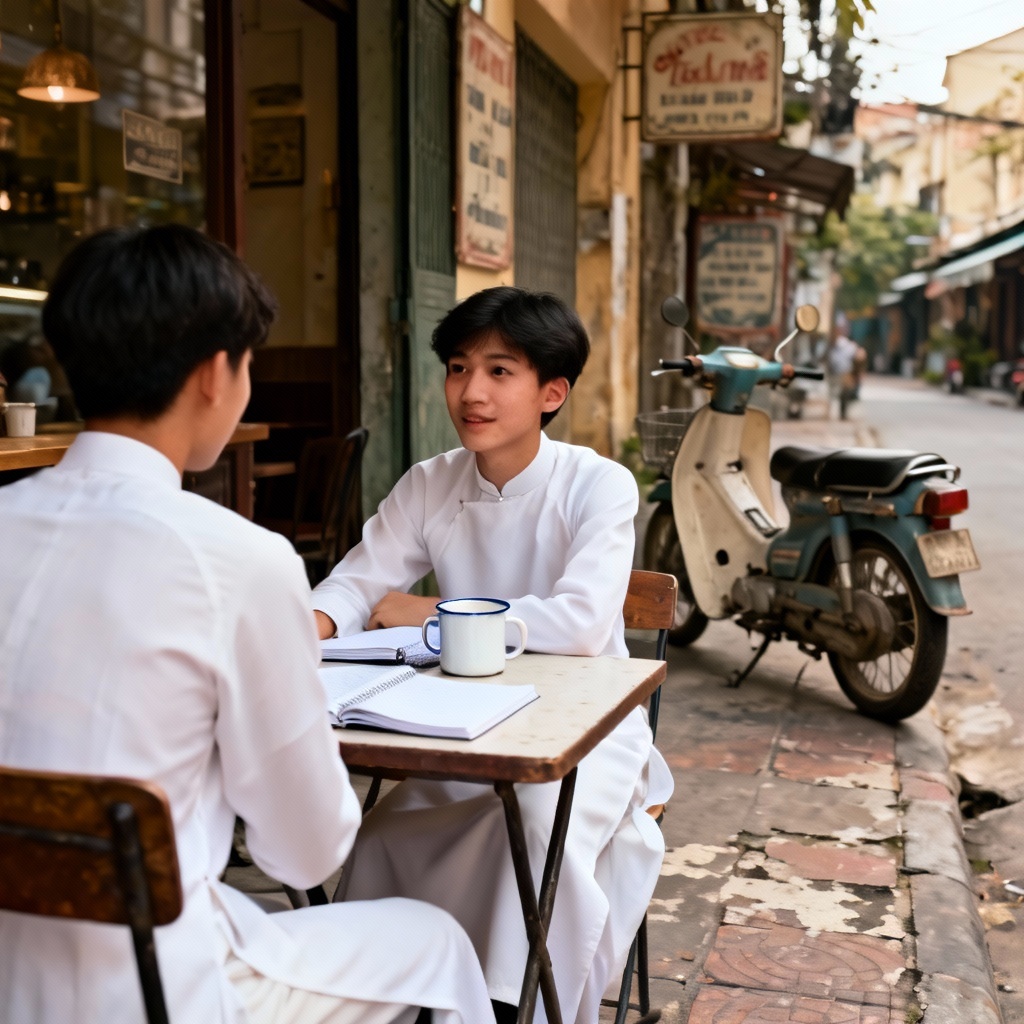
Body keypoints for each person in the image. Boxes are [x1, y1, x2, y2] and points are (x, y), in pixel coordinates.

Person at [0, 225, 496, 1024]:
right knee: (434, 944)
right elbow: (304, 851)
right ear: (211, 374)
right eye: (249, 362)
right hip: (154, 987)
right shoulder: (238, 560)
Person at [313, 286, 672, 1024]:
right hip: (457, 723)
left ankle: (515, 1005)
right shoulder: (430, 482)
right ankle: (407, 1001)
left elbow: (578, 625)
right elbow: (355, 584)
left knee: (536, 824)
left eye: (500, 371)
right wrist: (306, 626)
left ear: (551, 391)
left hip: (584, 732)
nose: (471, 392)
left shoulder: (597, 484)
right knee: (381, 836)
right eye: (457, 367)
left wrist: (433, 613)